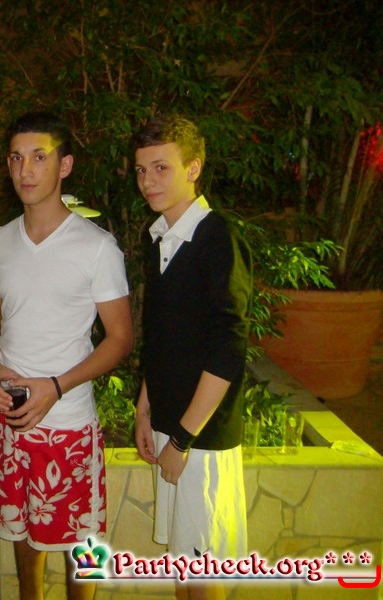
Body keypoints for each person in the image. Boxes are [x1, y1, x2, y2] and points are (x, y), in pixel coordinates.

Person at [0, 112, 134, 600]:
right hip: (12, 420)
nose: (25, 170)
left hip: (68, 423)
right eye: (16, 158)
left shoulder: (97, 247)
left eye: (39, 157)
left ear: (64, 165)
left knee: (83, 544)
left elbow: (120, 338)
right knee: (23, 535)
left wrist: (57, 386)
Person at [132, 115, 252, 600]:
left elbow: (229, 348)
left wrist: (182, 439)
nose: (148, 181)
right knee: (184, 566)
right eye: (141, 170)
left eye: (161, 167)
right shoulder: (159, 237)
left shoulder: (217, 236)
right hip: (171, 425)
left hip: (201, 436)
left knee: (202, 574)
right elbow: (161, 337)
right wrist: (144, 409)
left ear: (194, 168)